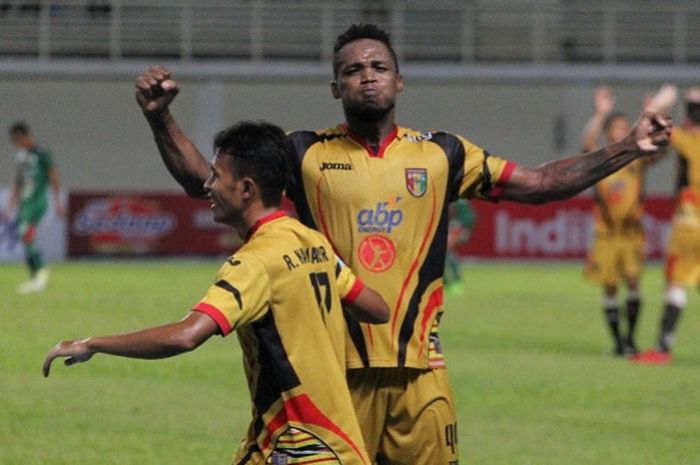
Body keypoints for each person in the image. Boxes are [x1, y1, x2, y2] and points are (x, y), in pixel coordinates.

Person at [134, 24, 671, 464]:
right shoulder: (303, 154)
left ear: (400, 81)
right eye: (352, 70)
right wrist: (160, 118)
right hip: (337, 379)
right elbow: (210, 181)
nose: (367, 78)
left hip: (423, 376)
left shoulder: (443, 154)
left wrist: (628, 147)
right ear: (335, 89)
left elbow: (539, 184)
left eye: (378, 67)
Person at [43, 121, 390, 465]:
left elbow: (185, 336)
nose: (207, 185)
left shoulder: (254, 263)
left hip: (300, 449)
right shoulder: (311, 240)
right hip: (339, 444)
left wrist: (92, 343)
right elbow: (377, 309)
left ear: (246, 188)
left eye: (216, 176)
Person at [581, 86, 650, 357]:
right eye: (617, 127)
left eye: (625, 127)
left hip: (632, 233)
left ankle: (631, 339)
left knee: (633, 282)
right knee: (609, 285)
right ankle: (618, 342)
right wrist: (600, 114)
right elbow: (586, 144)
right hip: (606, 233)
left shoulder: (636, 158)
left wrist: (651, 114)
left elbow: (659, 148)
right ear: (609, 132)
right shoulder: (602, 160)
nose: (621, 131)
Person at [634, 85, 700, 364]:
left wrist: (659, 102)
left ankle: (663, 347)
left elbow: (652, 129)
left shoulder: (685, 138)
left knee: (675, 284)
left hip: (689, 222)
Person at [3, 121, 65, 294]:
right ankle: (35, 277)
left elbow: (53, 177)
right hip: (25, 204)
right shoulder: (21, 157)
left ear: (22, 136)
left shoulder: (42, 152)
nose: (16, 144)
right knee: (25, 237)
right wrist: (10, 202)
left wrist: (58, 202)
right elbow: (18, 181)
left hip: (37, 203)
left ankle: (40, 274)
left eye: (16, 140)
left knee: (27, 235)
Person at [444, 199, 476, 295]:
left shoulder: (460, 202)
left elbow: (470, 219)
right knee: (442, 254)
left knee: (446, 251)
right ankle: (446, 282)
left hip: (461, 229)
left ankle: (456, 280)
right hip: (451, 229)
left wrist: (458, 228)